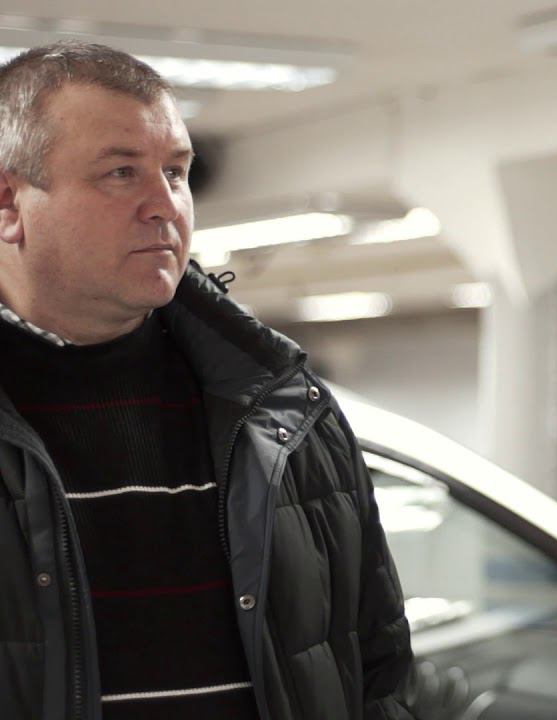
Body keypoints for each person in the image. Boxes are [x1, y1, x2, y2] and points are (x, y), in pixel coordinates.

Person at [0, 42, 418, 719]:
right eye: (121, 173)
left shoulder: (287, 417)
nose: (165, 205)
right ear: (9, 203)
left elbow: (379, 667)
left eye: (175, 171)